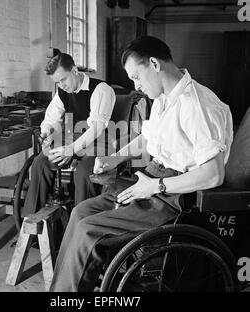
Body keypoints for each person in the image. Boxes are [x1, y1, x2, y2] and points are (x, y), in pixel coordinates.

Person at [49, 36, 233, 292]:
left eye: (137, 77)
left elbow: (213, 175)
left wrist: (156, 186)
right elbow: (148, 138)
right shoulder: (164, 98)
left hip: (172, 196)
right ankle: (61, 291)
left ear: (154, 64)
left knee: (89, 229)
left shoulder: (197, 105)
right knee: (81, 212)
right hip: (152, 179)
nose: (135, 85)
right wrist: (117, 157)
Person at [21, 51, 116, 217]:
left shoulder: (100, 90)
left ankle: (81, 225)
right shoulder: (63, 92)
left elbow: (97, 128)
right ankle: (32, 224)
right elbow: (51, 118)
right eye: (57, 82)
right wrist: (47, 133)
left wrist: (71, 149)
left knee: (84, 172)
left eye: (63, 79)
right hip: (74, 140)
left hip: (102, 142)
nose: (62, 85)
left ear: (74, 70)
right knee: (40, 163)